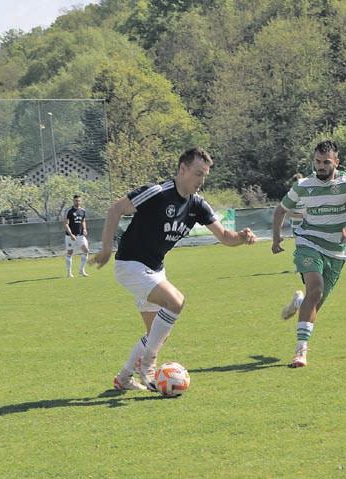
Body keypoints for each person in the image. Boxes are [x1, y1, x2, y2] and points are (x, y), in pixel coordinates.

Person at [91, 147, 257, 391]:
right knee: (176, 302)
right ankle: (149, 365)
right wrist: (106, 247)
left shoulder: (197, 204)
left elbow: (224, 236)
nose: (201, 181)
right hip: (130, 265)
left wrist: (241, 237)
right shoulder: (157, 193)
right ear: (182, 169)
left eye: (205, 176)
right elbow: (115, 209)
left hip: (155, 269)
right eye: (198, 174)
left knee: (157, 334)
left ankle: (124, 377)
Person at [271, 140, 346, 367]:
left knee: (313, 303)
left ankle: (299, 302)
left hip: (337, 252)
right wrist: (276, 238)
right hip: (308, 242)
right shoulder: (303, 185)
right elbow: (280, 210)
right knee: (316, 288)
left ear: (336, 162)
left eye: (326, 162)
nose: (321, 166)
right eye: (317, 162)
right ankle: (301, 352)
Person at [64, 194, 89, 277]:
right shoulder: (69, 211)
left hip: (80, 235)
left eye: (79, 201)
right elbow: (66, 224)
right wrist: (71, 234)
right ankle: (69, 273)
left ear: (81, 201)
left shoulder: (83, 211)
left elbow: (83, 221)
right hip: (70, 236)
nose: (77, 202)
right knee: (70, 253)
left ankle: (81, 270)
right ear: (73, 201)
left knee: (86, 250)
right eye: (76, 201)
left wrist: (84, 229)